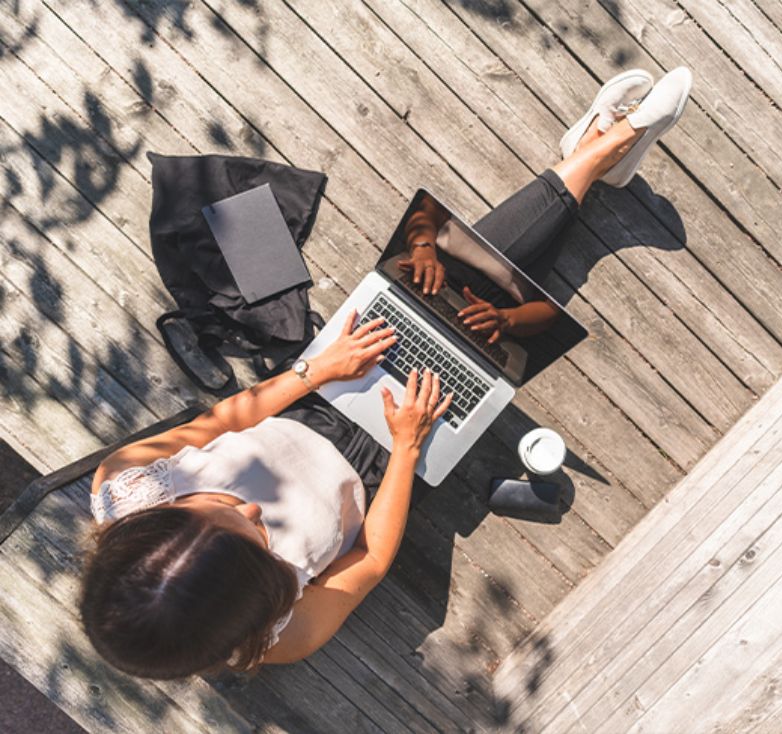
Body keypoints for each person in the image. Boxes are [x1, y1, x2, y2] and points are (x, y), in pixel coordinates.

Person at [80, 67, 693, 679]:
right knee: (486, 328)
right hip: (385, 471)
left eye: (219, 508)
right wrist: (406, 447)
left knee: (434, 291)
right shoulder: (281, 632)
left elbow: (221, 419)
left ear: (152, 519)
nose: (251, 511)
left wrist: (315, 370)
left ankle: (593, 158)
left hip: (311, 398)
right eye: (256, 540)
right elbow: (369, 560)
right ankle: (595, 153)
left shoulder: (123, 483)